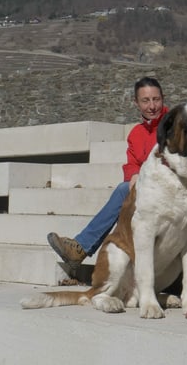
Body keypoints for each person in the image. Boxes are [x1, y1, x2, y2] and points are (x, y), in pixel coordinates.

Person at [47, 77, 167, 268]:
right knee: (125, 189)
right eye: (145, 100)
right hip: (147, 193)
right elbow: (132, 163)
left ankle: (81, 248)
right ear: (136, 103)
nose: (152, 106)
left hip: (169, 189)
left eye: (156, 99)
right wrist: (134, 175)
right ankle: (90, 251)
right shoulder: (136, 134)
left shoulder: (174, 124)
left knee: (122, 191)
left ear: (163, 98)